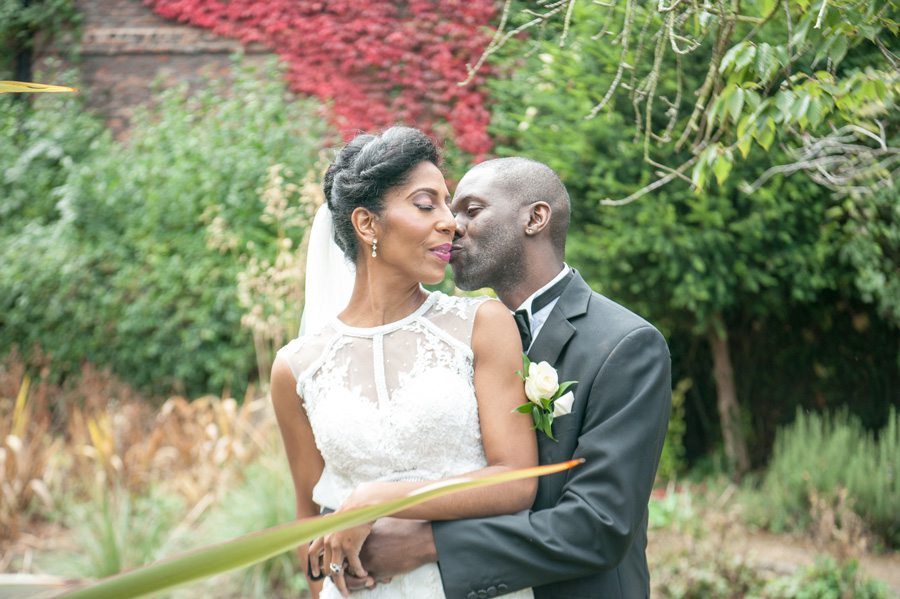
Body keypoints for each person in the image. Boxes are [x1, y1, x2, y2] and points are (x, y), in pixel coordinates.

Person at [350, 157, 672, 598]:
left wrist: (429, 544)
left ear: (535, 218)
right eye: (446, 209)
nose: (451, 225)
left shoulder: (626, 345)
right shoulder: (458, 342)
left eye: (471, 209)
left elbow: (596, 526)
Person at [270, 127, 538, 599]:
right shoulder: (296, 367)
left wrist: (379, 500)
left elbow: (517, 480)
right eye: (425, 203)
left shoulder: (482, 324)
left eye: (448, 203)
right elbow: (307, 525)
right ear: (367, 224)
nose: (450, 222)